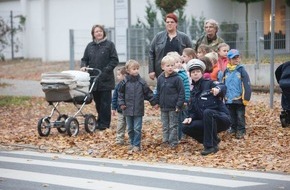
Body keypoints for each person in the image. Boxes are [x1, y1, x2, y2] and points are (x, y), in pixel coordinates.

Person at [182, 59, 231, 156]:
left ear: (202, 73)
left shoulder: (209, 83)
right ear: (190, 74)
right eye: (193, 72)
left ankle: (210, 147)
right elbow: (194, 111)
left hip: (221, 119)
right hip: (206, 121)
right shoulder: (193, 92)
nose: (195, 74)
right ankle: (213, 140)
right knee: (185, 127)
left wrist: (218, 90)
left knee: (208, 112)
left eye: (198, 72)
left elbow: (222, 86)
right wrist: (190, 117)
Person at [80, 24, 119, 130]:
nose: (98, 33)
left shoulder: (109, 45)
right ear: (93, 34)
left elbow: (114, 60)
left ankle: (105, 124)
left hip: (106, 79)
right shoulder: (90, 46)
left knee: (105, 103)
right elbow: (84, 59)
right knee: (98, 102)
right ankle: (100, 121)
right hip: (94, 79)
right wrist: (83, 67)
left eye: (100, 31)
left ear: (104, 32)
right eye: (96, 31)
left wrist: (106, 70)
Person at [118, 60, 155, 153]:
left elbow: (148, 93)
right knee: (130, 128)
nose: (136, 71)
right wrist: (121, 103)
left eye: (137, 69)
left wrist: (154, 102)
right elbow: (120, 94)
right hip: (127, 109)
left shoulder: (142, 82)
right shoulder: (124, 82)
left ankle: (136, 145)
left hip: (138, 109)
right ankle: (131, 142)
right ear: (128, 70)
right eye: (134, 69)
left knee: (137, 128)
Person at [149, 13, 192, 80]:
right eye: (167, 22)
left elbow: (190, 54)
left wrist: (190, 68)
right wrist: (151, 70)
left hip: (179, 71)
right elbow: (151, 53)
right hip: (161, 71)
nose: (169, 24)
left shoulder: (184, 37)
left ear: (176, 23)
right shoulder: (158, 37)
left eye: (172, 22)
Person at [154, 55, 185, 148]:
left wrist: (179, 104)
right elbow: (158, 91)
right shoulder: (160, 78)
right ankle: (165, 140)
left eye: (172, 65)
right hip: (163, 106)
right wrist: (156, 102)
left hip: (174, 106)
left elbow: (181, 92)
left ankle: (173, 142)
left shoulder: (177, 78)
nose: (170, 67)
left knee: (173, 125)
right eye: (168, 66)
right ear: (163, 67)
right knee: (165, 125)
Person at [222, 49, 252, 139]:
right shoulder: (226, 71)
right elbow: (223, 84)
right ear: (229, 59)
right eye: (234, 58)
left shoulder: (241, 70)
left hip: (239, 99)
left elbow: (247, 84)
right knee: (231, 116)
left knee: (240, 116)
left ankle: (241, 130)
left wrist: (246, 98)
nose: (236, 60)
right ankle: (233, 129)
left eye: (237, 57)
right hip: (229, 99)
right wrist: (223, 97)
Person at [168, 51, 190, 140]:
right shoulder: (166, 75)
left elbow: (187, 88)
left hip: (182, 101)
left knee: (182, 118)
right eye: (176, 62)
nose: (179, 64)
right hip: (171, 102)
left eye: (180, 62)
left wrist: (186, 99)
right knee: (172, 120)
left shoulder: (182, 74)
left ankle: (182, 135)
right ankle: (173, 136)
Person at [112, 66, 127, 145]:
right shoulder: (118, 86)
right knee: (120, 125)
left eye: (118, 75)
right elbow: (114, 97)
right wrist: (113, 108)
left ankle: (132, 139)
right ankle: (119, 140)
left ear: (124, 75)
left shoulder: (129, 85)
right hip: (120, 110)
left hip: (128, 110)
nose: (117, 77)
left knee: (129, 125)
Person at [275, 61, 290, 128]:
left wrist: (280, 81)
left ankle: (285, 113)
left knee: (286, 97)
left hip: (284, 84)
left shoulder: (286, 64)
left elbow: (277, 72)